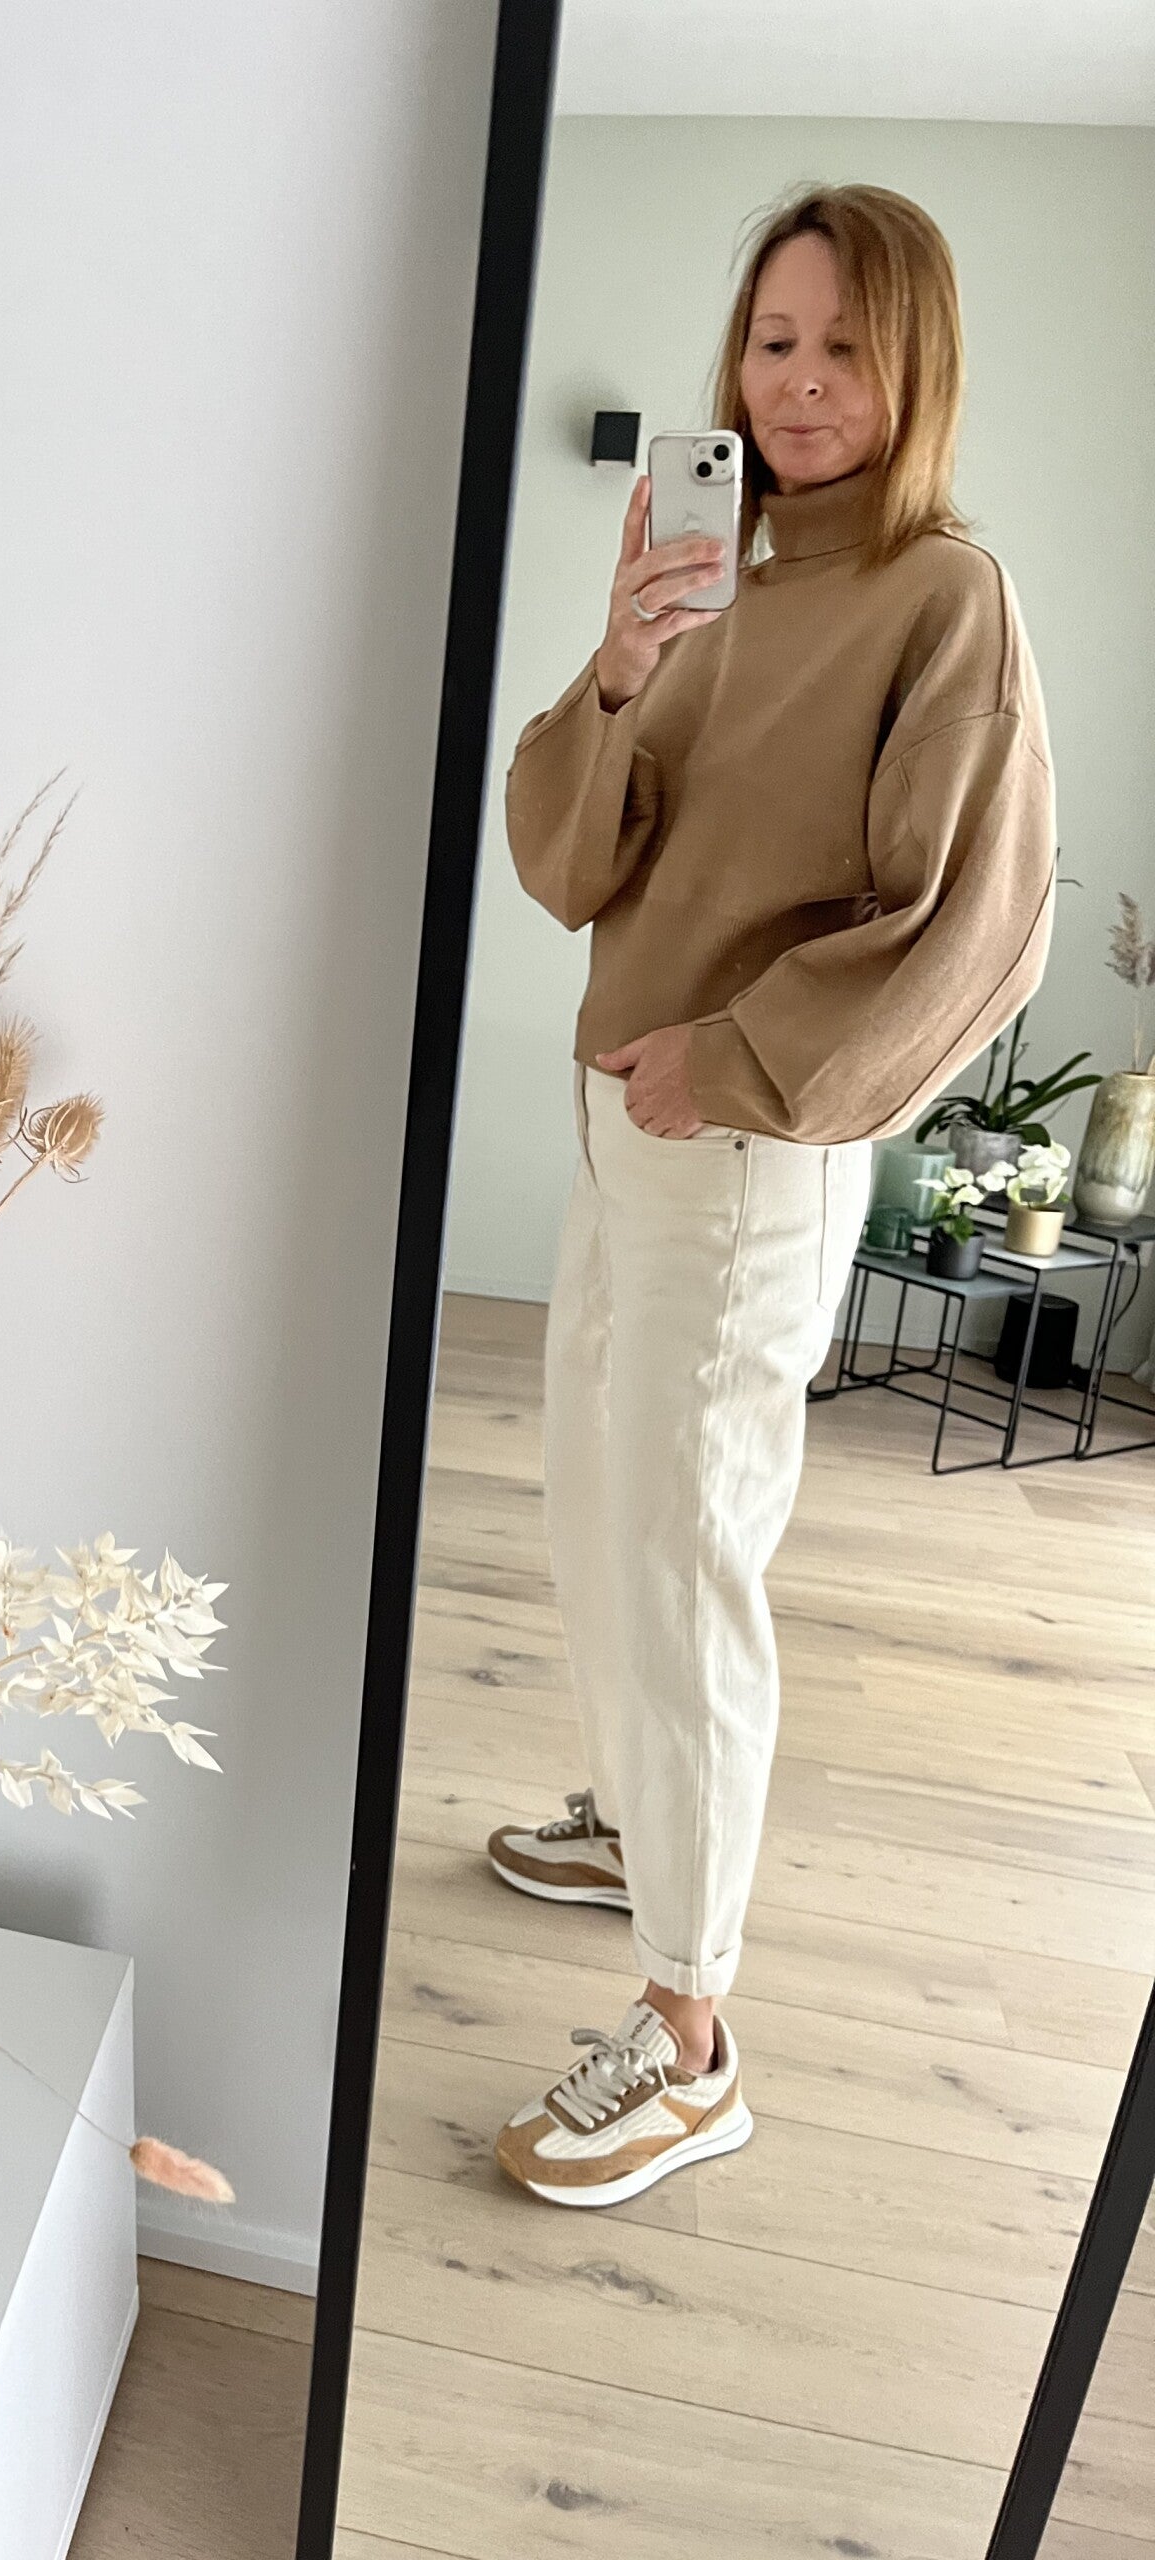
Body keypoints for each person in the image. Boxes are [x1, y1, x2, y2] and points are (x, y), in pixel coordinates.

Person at [487, 184, 1055, 2209]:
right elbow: (566, 859)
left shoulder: (943, 597)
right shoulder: (708, 568)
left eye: (843, 346)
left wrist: (723, 1061)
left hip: (743, 1146)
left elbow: (971, 923)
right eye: (771, 340)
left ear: (917, 364)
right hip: (623, 1123)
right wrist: (620, 667)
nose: (798, 384)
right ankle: (642, 1825)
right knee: (592, 1504)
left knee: (683, 1554)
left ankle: (690, 2036)